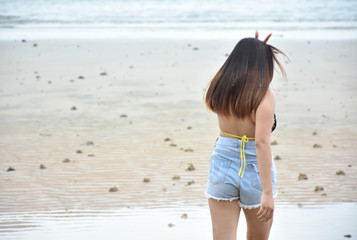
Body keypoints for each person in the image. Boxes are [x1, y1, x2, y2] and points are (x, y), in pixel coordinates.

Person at [204, 31, 287, 240]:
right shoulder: (264, 95)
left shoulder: (219, 87)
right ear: (262, 64)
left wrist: (256, 48)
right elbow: (261, 142)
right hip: (255, 170)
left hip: (223, 163)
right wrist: (267, 192)